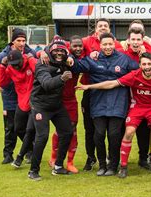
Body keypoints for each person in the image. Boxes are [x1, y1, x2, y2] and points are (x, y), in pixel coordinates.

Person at [76, 53, 151, 177]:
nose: (147, 67)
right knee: (129, 132)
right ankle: (123, 166)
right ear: (139, 65)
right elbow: (112, 83)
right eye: (144, 64)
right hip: (137, 107)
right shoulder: (133, 76)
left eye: (149, 64)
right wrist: (89, 86)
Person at [71, 32, 138, 176]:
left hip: (118, 102)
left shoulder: (124, 59)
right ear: (100, 45)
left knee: (114, 134)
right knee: (99, 134)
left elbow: (140, 70)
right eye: (105, 44)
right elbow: (76, 66)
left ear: (114, 44)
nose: (107, 47)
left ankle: (113, 165)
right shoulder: (93, 59)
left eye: (110, 44)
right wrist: (69, 57)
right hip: (98, 102)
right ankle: (102, 165)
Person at [28, 36, 74, 181]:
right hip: (40, 105)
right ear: (50, 51)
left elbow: (75, 53)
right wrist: (62, 78)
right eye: (56, 51)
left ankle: (58, 166)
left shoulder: (65, 61)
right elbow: (47, 84)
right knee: (42, 137)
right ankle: (33, 171)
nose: (59, 53)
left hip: (56, 104)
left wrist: (71, 58)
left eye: (62, 51)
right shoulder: (42, 63)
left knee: (67, 131)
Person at [0, 28, 35, 165]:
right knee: (11, 127)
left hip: (28, 96)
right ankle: (8, 154)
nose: (21, 43)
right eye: (18, 40)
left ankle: (29, 151)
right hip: (10, 97)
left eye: (23, 40)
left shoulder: (30, 54)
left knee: (28, 127)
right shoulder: (2, 56)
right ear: (12, 41)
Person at [48, 35, 85, 173]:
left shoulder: (77, 60)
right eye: (74, 46)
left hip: (70, 100)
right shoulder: (56, 57)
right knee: (60, 130)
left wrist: (71, 58)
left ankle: (70, 162)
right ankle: (53, 157)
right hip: (56, 100)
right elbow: (41, 52)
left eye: (80, 46)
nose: (78, 48)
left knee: (73, 129)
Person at [0, 50, 36, 169]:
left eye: (16, 63)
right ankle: (31, 149)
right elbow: (2, 82)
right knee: (18, 129)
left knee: (29, 130)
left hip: (35, 103)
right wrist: (2, 66)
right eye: (12, 64)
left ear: (22, 59)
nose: (15, 66)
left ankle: (20, 157)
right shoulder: (10, 68)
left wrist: (31, 59)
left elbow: (38, 71)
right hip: (21, 103)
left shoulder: (29, 62)